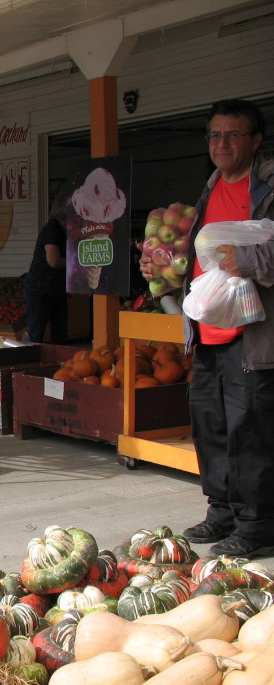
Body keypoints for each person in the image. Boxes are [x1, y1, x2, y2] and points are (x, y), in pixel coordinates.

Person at [140, 98, 274, 559]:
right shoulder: (211, 187)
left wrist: (251, 259)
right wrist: (162, 265)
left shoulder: (269, 186)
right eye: (215, 135)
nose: (221, 143)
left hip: (252, 337)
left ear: (255, 140)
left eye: (232, 135)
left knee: (249, 431)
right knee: (211, 426)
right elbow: (197, 256)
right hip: (208, 333)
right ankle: (221, 511)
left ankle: (257, 525)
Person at [23, 190, 68, 343]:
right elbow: (53, 260)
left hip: (56, 287)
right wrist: (77, 263)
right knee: (37, 330)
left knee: (60, 330)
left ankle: (58, 363)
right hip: (40, 287)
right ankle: (31, 360)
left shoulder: (63, 231)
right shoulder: (52, 229)